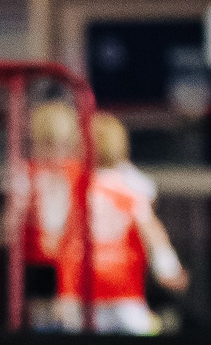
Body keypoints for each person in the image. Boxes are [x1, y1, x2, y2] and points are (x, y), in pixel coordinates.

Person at [47, 112, 187, 333]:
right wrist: (167, 267)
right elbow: (151, 228)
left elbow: (52, 233)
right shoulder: (128, 185)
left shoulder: (77, 181)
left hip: (91, 284)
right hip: (109, 284)